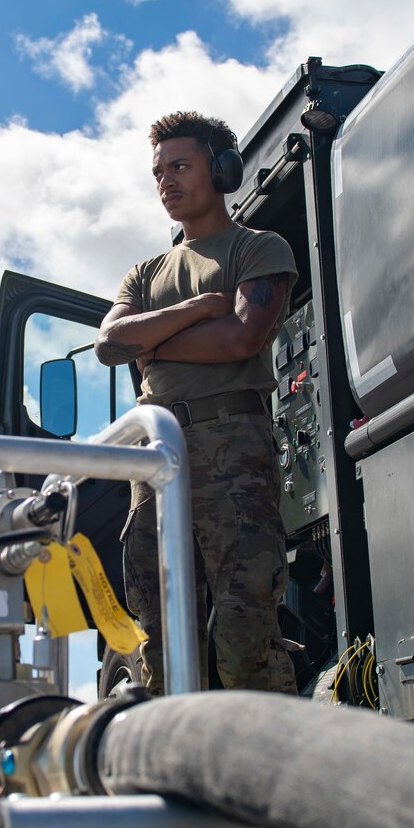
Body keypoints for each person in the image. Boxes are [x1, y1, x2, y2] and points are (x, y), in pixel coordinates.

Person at [96, 111, 299, 695]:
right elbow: (110, 345)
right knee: (161, 630)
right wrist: (193, 310)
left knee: (244, 625)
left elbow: (241, 338)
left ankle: (260, 767)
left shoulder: (257, 249)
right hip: (156, 456)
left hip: (232, 447)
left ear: (223, 170)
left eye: (180, 166)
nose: (166, 182)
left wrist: (153, 346)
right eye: (158, 172)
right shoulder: (146, 272)